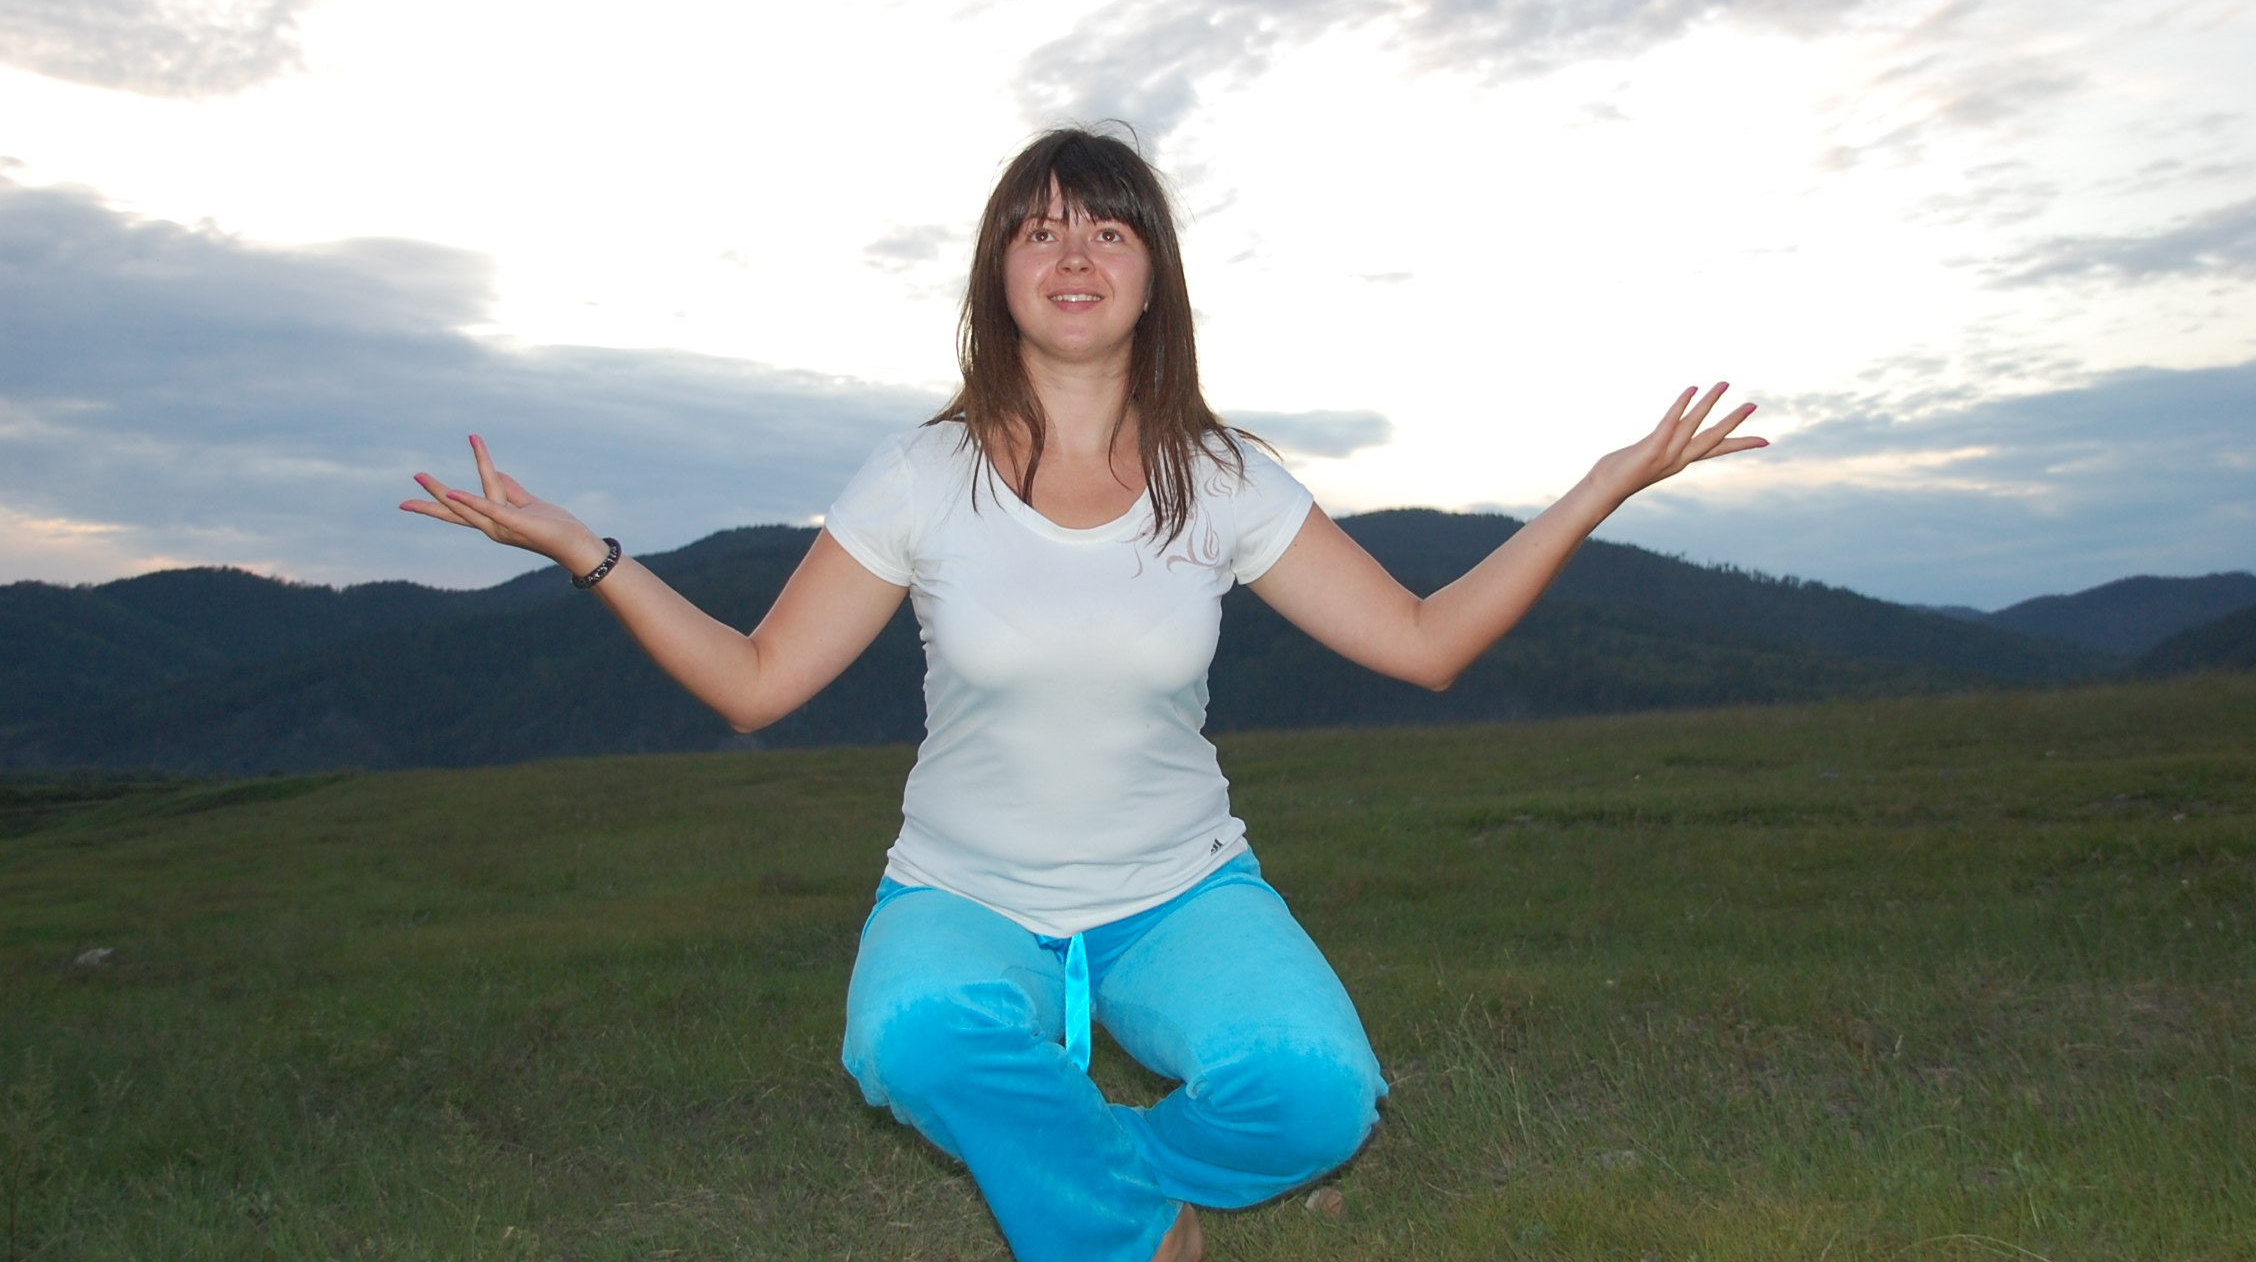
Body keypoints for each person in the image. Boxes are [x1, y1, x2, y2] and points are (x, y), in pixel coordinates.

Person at [401, 126, 1765, 1262]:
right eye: (1039, 229)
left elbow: (1424, 640)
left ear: (1153, 277)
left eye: (1108, 231)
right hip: (965, 893)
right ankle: (1143, 1233)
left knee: (1319, 1097)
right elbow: (755, 682)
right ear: (997, 274)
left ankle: (1080, 1173)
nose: (1072, 254)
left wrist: (1599, 489)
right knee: (911, 1040)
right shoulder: (921, 476)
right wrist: (587, 554)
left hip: (1180, 889)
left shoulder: (1219, 477)